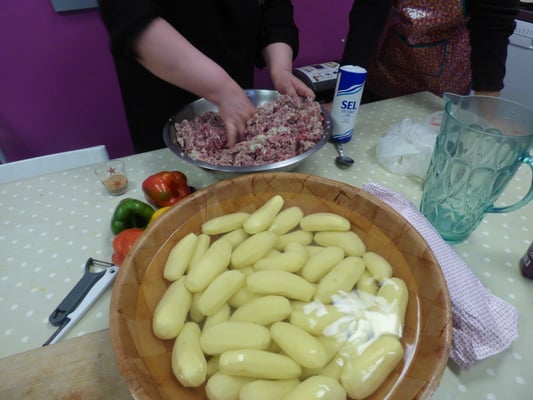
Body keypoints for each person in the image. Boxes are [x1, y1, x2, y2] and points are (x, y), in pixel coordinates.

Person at [97, 0, 315, 153]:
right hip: (162, 96)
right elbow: (132, 18)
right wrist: (222, 89)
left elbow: (274, 8)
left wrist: (280, 69)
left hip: (236, 89)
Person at [340, 0, 520, 102]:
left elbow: (492, 31)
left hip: (445, 90)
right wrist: (345, 97)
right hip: (385, 75)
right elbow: (367, 19)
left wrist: (487, 116)